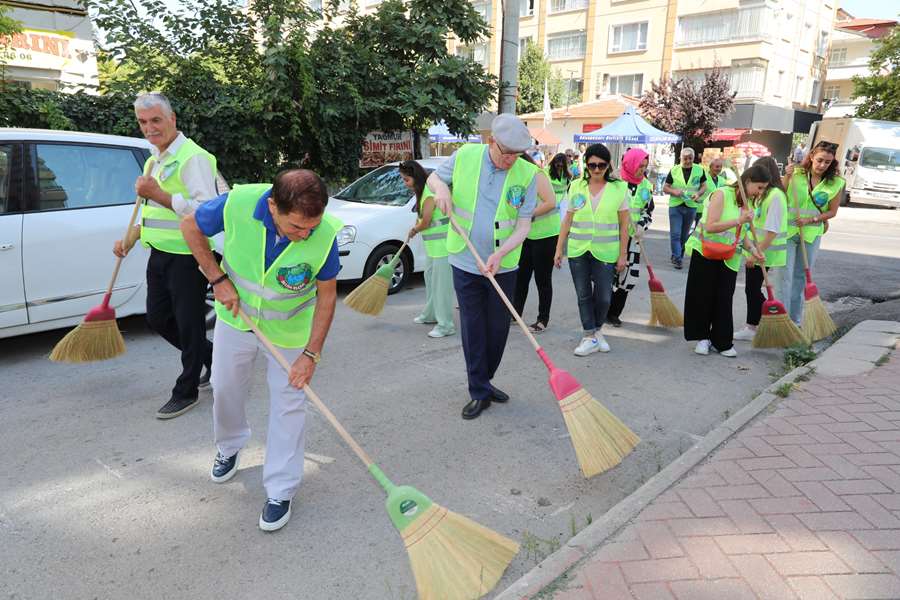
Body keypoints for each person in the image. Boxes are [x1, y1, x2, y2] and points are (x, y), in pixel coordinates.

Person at [180, 169, 342, 532]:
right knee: (225, 389)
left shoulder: (324, 233)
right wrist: (217, 278)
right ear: (273, 206)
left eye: (312, 227)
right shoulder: (237, 204)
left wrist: (310, 355)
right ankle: (230, 445)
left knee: (289, 405)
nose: (306, 235)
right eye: (298, 227)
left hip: (289, 333)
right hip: (236, 320)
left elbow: (327, 297)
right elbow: (190, 226)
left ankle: (281, 488)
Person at [113, 92, 221, 420]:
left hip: (189, 255)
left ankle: (185, 391)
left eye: (156, 120)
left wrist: (157, 193)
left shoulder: (194, 158)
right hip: (159, 254)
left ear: (172, 119)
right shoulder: (152, 159)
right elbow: (148, 210)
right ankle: (214, 358)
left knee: (189, 325)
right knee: (158, 318)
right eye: (143, 122)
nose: (149, 128)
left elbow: (207, 211)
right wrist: (130, 237)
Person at [427, 114, 540, 420]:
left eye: (517, 155)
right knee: (473, 328)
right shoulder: (465, 156)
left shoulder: (527, 175)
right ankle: (478, 389)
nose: (511, 161)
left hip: (503, 265)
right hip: (464, 259)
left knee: (498, 329)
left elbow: (523, 225)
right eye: (506, 154)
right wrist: (442, 189)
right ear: (492, 142)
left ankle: (485, 380)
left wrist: (501, 253)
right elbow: (433, 178)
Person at [683, 165, 769, 358]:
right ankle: (702, 338)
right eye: (759, 187)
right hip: (705, 252)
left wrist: (754, 250)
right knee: (702, 296)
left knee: (724, 298)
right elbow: (711, 226)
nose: (760, 192)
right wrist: (739, 220)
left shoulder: (750, 204)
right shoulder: (721, 194)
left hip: (729, 257)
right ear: (747, 181)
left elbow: (743, 234)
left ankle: (721, 341)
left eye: (764, 189)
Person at [554, 143, 629, 355]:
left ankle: (596, 331)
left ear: (608, 166)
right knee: (583, 295)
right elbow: (567, 219)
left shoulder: (619, 188)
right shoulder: (576, 185)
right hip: (578, 250)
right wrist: (559, 249)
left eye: (602, 165)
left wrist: (623, 254)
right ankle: (589, 335)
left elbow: (625, 225)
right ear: (586, 165)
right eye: (592, 165)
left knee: (604, 296)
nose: (596, 170)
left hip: (606, 251)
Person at [781, 140, 845, 325]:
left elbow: (832, 212)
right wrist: (786, 176)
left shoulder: (836, 183)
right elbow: (780, 194)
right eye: (820, 160)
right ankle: (781, 320)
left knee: (800, 277)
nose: (823, 165)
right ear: (811, 157)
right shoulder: (796, 173)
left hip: (810, 234)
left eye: (827, 162)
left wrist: (811, 220)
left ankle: (795, 320)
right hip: (788, 232)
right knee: (784, 276)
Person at [734, 156, 788, 341]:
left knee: (752, 289)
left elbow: (772, 231)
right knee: (752, 288)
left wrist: (756, 254)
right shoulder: (765, 195)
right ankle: (758, 323)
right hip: (759, 250)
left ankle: (754, 325)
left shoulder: (775, 196)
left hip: (766, 252)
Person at [402, 160, 455, 338]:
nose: (405, 184)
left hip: (443, 248)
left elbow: (425, 222)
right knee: (431, 281)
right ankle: (431, 314)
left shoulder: (430, 194)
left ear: (415, 178)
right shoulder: (424, 193)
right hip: (433, 248)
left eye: (406, 180)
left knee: (441, 288)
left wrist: (415, 229)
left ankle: (446, 325)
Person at [513, 152, 566, 333]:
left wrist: (527, 214)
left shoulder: (537, 174)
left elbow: (550, 203)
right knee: (521, 278)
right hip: (526, 235)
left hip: (546, 236)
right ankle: (515, 313)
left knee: (542, 280)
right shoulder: (516, 177)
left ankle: (543, 319)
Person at [607, 148, 654, 326]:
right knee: (608, 276)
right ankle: (601, 310)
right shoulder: (614, 182)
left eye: (645, 166)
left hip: (633, 240)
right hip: (613, 237)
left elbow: (647, 211)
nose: (642, 169)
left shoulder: (646, 186)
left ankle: (614, 313)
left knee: (626, 278)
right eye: (639, 165)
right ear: (630, 163)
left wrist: (642, 226)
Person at [663, 147, 707, 269]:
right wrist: (674, 191)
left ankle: (677, 254)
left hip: (691, 206)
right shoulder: (674, 170)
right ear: (680, 158)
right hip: (675, 206)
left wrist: (698, 194)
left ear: (693, 158)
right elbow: (665, 188)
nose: (687, 161)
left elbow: (704, 186)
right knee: (675, 234)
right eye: (685, 158)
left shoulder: (699, 170)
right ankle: (677, 258)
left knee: (684, 235)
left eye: (690, 158)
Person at [695, 157, 728, 229]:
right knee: (699, 230)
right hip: (701, 209)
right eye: (717, 166)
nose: (719, 169)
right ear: (710, 167)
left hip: (714, 211)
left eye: (720, 167)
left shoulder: (722, 180)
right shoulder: (703, 177)